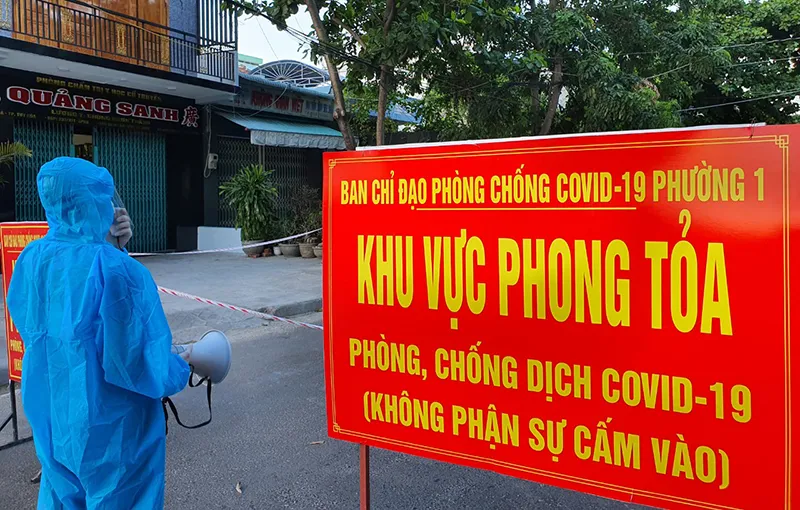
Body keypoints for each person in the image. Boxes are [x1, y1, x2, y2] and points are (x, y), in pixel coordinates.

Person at [7, 157, 190, 509]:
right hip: (112, 427)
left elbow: (41, 329)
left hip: (53, 416)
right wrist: (185, 364)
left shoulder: (31, 259)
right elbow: (138, 364)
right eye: (104, 197)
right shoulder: (118, 270)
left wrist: (113, 246)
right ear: (91, 202)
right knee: (120, 497)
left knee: (61, 496)